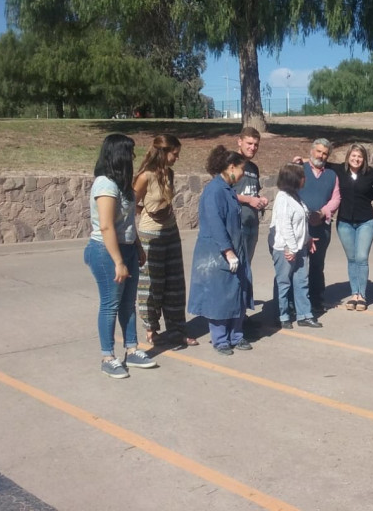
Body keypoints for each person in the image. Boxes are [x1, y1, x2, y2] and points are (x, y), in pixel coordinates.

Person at [84, 133, 157, 379]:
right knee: (110, 304)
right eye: (130, 152)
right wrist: (118, 261)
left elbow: (127, 223)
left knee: (128, 303)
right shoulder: (104, 184)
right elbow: (106, 226)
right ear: (119, 154)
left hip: (126, 247)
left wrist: (136, 247)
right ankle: (107, 356)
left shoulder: (123, 185)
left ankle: (132, 349)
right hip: (106, 251)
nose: (133, 156)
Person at [187, 147, 253, 355]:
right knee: (219, 295)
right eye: (242, 169)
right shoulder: (214, 190)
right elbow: (216, 223)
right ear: (231, 167)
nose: (243, 174)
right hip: (216, 254)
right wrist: (228, 251)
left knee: (237, 292)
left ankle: (236, 334)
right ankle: (220, 339)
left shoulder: (227, 189)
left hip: (234, 249)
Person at [133, 134, 197, 347]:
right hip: (150, 235)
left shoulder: (169, 173)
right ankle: (151, 329)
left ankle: (177, 329)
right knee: (152, 283)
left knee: (175, 283)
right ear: (163, 152)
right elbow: (131, 202)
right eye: (174, 154)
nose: (176, 158)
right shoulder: (145, 176)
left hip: (171, 232)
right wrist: (146, 213)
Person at [268, 163, 322, 329]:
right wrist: (291, 248)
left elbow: (300, 224)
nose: (304, 179)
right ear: (293, 179)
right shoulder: (283, 198)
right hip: (285, 248)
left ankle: (304, 315)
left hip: (299, 247)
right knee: (284, 283)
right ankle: (282, 316)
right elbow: (285, 226)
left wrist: (308, 238)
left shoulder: (295, 196)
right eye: (301, 176)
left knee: (301, 281)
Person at [335, 144, 373, 311]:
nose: (356, 159)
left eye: (359, 157)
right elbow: (320, 163)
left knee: (361, 258)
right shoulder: (340, 170)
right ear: (348, 156)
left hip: (365, 222)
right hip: (344, 222)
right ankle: (354, 293)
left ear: (364, 159)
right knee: (352, 259)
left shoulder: (371, 174)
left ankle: (362, 295)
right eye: (353, 156)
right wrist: (302, 160)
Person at [299, 138, 341, 313]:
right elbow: (289, 192)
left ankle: (316, 299)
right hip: (300, 225)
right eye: (319, 152)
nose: (321, 156)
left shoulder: (332, 175)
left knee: (317, 264)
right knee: (298, 264)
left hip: (321, 226)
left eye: (325, 153)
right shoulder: (299, 169)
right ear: (311, 151)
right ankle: (296, 302)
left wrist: (322, 213)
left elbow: (336, 198)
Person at [233, 127, 269, 264]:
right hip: (236, 224)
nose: (253, 148)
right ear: (239, 142)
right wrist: (250, 200)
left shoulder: (253, 168)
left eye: (256, 145)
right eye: (249, 143)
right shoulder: (230, 163)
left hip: (252, 224)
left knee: (246, 267)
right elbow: (222, 193)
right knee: (235, 268)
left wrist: (260, 199)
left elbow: (253, 192)